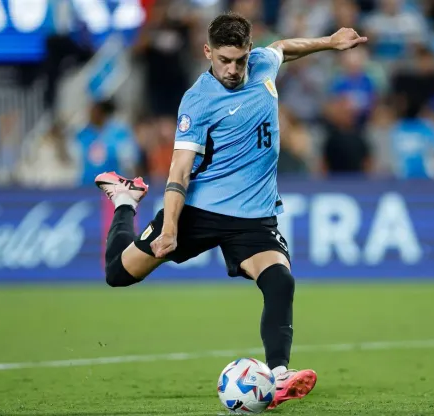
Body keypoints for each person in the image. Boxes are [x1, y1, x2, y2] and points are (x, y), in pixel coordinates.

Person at [93, 12, 368, 410]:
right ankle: (124, 201)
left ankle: (278, 375)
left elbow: (283, 49)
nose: (233, 69)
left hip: (253, 217)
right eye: (224, 60)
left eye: (240, 59)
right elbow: (180, 171)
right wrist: (170, 226)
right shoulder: (198, 101)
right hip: (199, 211)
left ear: (248, 52)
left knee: (280, 281)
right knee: (118, 274)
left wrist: (330, 41)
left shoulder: (261, 64)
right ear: (207, 52)